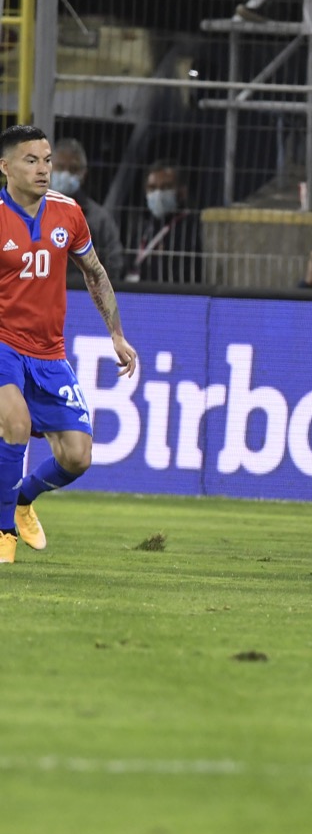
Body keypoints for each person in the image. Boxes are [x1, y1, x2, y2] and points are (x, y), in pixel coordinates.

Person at [0, 125, 139, 562]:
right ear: (5, 167)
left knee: (77, 456)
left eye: (46, 160)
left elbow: (94, 272)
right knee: (16, 424)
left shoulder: (68, 213)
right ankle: (3, 532)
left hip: (48, 352)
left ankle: (23, 500)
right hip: (3, 342)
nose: (43, 170)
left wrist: (115, 333)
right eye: (31, 160)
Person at [49, 138, 124, 282]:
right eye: (60, 167)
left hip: (83, 294)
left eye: (73, 169)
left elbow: (114, 260)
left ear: (83, 174)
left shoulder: (98, 219)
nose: (66, 174)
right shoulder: (32, 211)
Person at [128, 160, 204, 284]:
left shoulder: (192, 228)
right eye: (152, 188)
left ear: (182, 191)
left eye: (166, 187)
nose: (158, 194)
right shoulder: (144, 227)